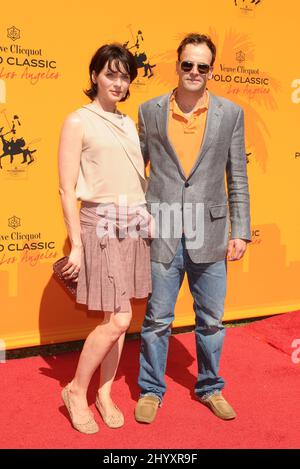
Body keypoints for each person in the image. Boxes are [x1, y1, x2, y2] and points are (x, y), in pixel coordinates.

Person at [134, 33, 251, 423]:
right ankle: (151, 389)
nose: (194, 72)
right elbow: (137, 171)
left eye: (203, 66)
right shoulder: (149, 111)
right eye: (188, 64)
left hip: (212, 232)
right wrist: (137, 215)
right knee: (157, 320)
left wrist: (241, 229)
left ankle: (210, 386)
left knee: (212, 320)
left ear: (211, 70)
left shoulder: (230, 114)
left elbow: (238, 176)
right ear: (178, 65)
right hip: (163, 232)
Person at [58, 43, 152, 434]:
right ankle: (76, 391)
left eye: (125, 75)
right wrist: (76, 246)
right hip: (100, 225)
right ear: (95, 75)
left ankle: (105, 392)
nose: (118, 82)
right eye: (111, 73)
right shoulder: (78, 120)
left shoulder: (129, 122)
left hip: (134, 225)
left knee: (115, 319)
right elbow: (66, 189)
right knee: (118, 317)